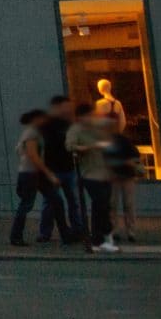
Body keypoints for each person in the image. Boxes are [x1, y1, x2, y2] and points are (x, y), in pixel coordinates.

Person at [9, 108, 64, 247]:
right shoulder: (32, 133)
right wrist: (48, 173)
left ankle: (66, 233)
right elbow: (34, 156)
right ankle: (15, 236)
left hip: (30, 172)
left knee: (54, 200)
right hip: (31, 173)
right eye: (42, 118)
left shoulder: (29, 132)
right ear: (36, 119)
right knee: (27, 204)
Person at [69, 106, 118, 253]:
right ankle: (98, 238)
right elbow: (70, 146)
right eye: (89, 115)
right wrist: (88, 147)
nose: (92, 118)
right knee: (100, 202)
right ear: (81, 117)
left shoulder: (95, 129)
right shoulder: (76, 129)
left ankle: (105, 234)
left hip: (103, 172)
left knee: (105, 204)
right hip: (89, 173)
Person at [37, 96, 81, 242]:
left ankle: (77, 229)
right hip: (54, 168)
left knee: (72, 200)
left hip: (68, 167)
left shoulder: (69, 123)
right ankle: (45, 232)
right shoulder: (47, 124)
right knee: (51, 202)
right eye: (66, 106)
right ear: (57, 107)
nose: (68, 109)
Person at [107, 124, 142, 243]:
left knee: (113, 204)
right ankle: (130, 231)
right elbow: (136, 156)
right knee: (128, 204)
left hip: (115, 176)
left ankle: (114, 230)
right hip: (127, 176)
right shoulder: (126, 141)